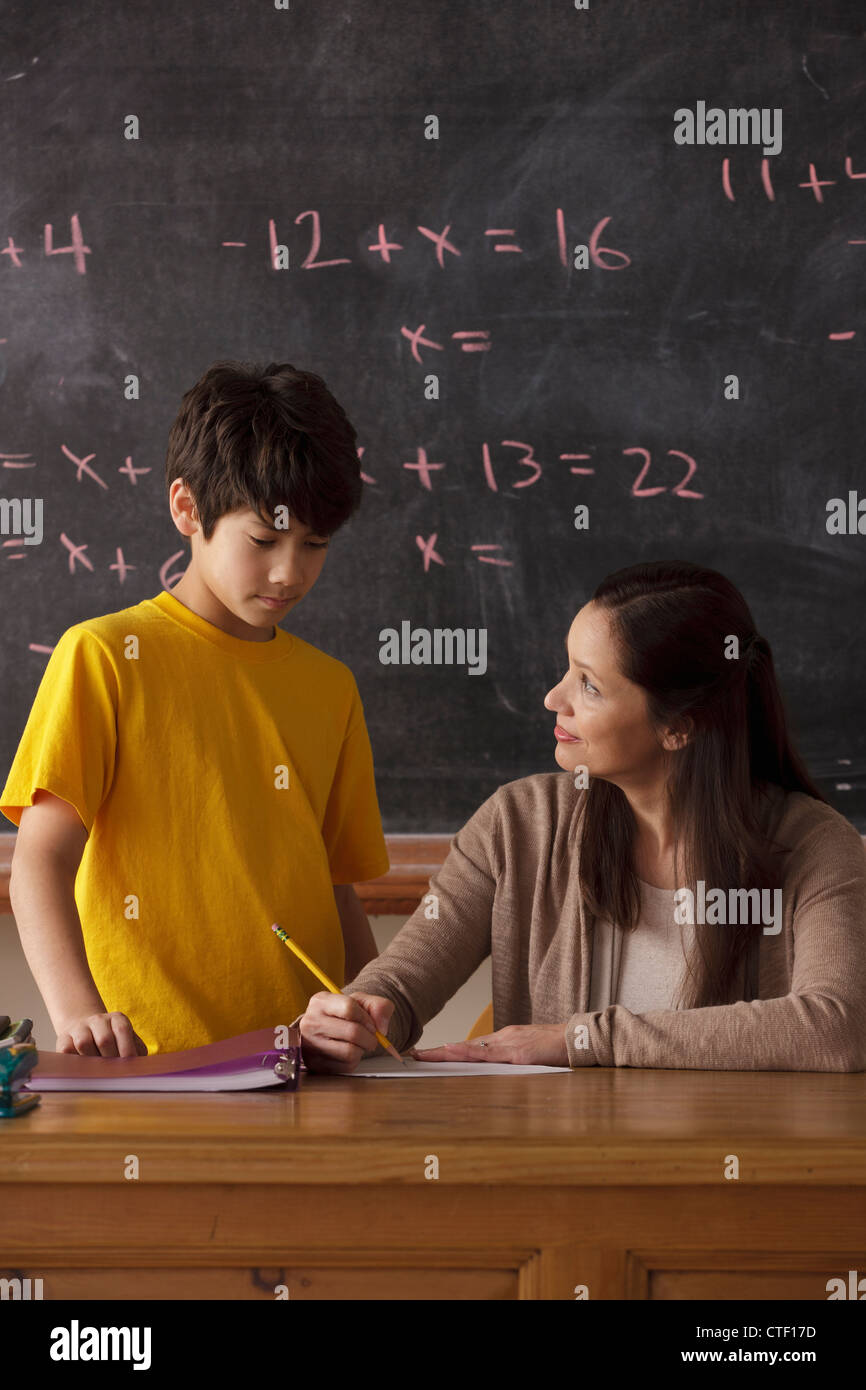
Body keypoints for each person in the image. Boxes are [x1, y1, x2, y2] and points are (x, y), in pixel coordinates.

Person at [299, 561, 866, 1073]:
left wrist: (582, 1040)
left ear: (678, 727)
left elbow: (838, 1027)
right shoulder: (518, 823)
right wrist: (366, 1011)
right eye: (567, 670)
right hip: (556, 1170)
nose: (552, 698)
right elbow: (403, 980)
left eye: (589, 686)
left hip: (728, 1172)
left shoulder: (815, 847)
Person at [1, 360, 389, 1056]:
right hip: (151, 1071)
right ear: (187, 508)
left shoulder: (330, 688)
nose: (289, 572)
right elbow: (41, 858)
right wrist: (78, 1012)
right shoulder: (103, 655)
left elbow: (336, 889)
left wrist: (374, 1016)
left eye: (315, 545)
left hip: (304, 1069)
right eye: (264, 541)